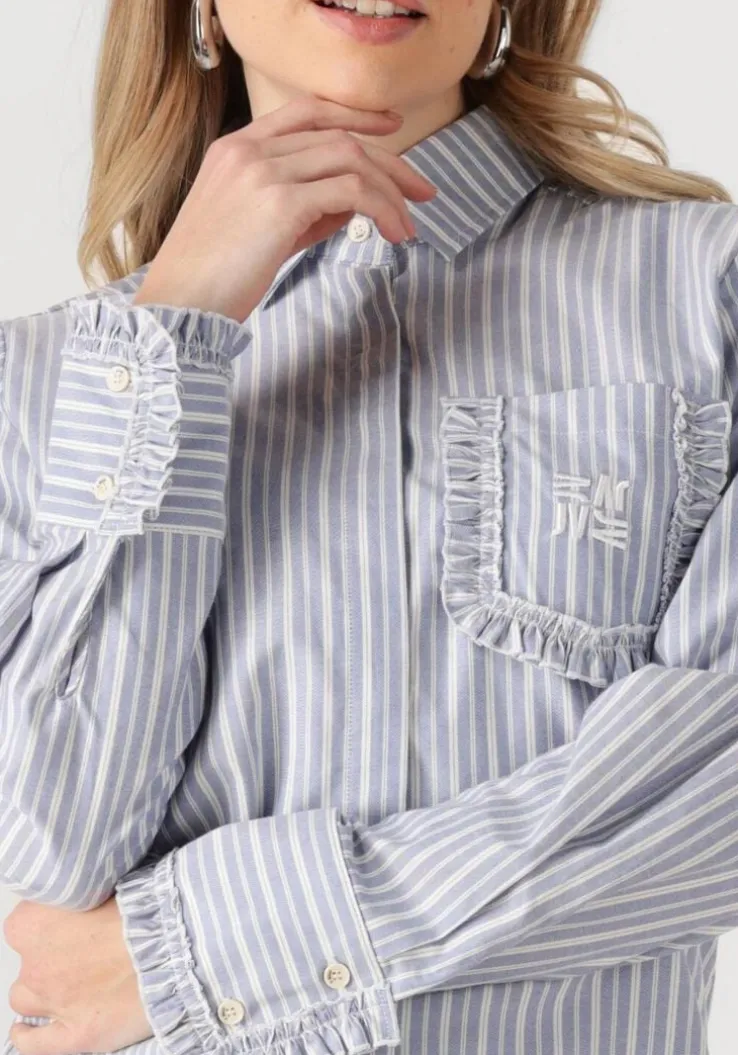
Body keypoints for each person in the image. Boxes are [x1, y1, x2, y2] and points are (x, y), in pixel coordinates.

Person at [1, 1, 737, 1054]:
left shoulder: (707, 296)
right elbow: (58, 841)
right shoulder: (39, 387)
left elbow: (716, 794)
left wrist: (204, 945)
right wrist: (176, 333)